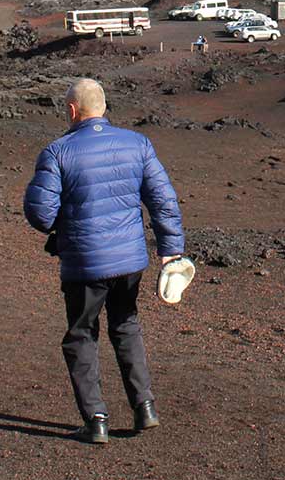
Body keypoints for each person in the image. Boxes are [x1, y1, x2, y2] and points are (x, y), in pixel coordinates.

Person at [23, 77, 185, 444]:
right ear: (104, 107)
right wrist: (171, 250)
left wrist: (63, 226)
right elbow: (163, 201)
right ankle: (144, 407)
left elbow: (39, 213)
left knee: (81, 334)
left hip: (84, 263)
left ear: (71, 110)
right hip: (130, 260)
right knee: (126, 326)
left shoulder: (57, 152)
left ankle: (96, 419)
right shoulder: (138, 144)